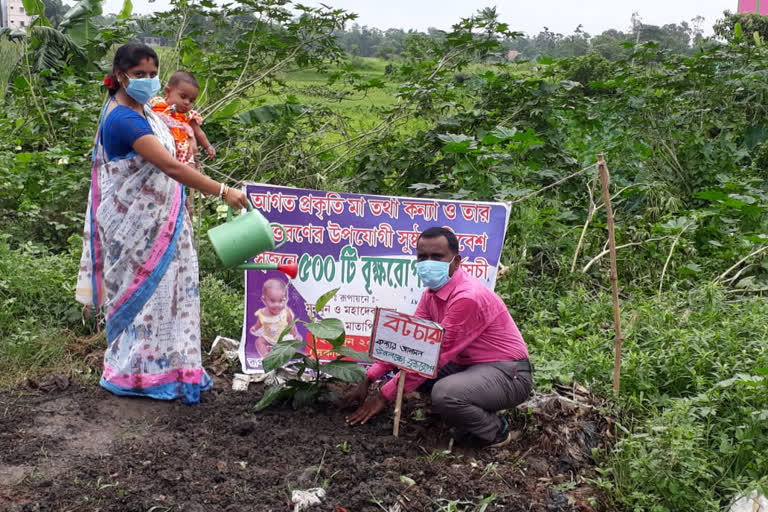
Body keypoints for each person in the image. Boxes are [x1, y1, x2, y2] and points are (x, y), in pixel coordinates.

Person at [75, 43, 250, 404]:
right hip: (135, 228)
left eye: (153, 74)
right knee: (146, 299)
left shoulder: (145, 111)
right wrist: (222, 191)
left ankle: (169, 369)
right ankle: (138, 374)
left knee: (170, 297)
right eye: (140, 75)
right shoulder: (124, 118)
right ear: (121, 75)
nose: (148, 81)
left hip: (160, 222)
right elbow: (169, 167)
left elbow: (180, 148)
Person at [345, 227, 532, 448]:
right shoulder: (431, 294)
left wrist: (382, 398)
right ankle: (474, 405)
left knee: (444, 394)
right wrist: (369, 378)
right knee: (404, 365)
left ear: (456, 261)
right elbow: (409, 344)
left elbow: (433, 356)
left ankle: (496, 430)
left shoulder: (467, 298)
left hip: (508, 374)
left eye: (437, 257)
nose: (428, 263)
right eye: (422, 257)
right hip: (471, 366)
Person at [149, 71, 215, 168]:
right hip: (160, 151)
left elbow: (199, 132)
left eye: (192, 100)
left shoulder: (188, 116)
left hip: (184, 154)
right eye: (183, 97)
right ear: (168, 91)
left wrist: (208, 146)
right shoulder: (157, 105)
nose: (187, 102)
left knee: (189, 171)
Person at [249, 278, 301, 356]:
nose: (277, 305)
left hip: (283, 338)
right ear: (264, 300)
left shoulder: (286, 312)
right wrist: (255, 328)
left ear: (286, 299)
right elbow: (259, 324)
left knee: (290, 344)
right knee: (259, 342)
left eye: (281, 301)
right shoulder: (262, 314)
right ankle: (265, 354)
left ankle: (280, 353)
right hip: (269, 337)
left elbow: (291, 325)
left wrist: (295, 334)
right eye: (273, 301)